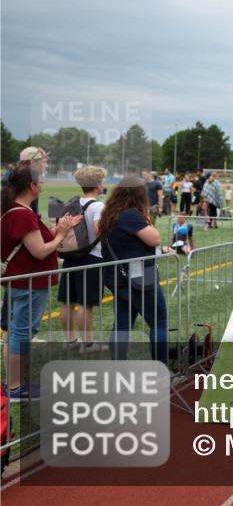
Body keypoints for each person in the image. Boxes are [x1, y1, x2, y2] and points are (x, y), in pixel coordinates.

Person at [1, 163, 82, 400]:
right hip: (30, 284)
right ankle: (16, 387)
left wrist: (60, 229)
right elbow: (40, 251)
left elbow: (35, 243)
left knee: (16, 332)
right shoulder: (22, 214)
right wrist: (61, 234)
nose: (44, 183)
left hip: (22, 282)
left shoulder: (15, 210)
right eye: (42, 180)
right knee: (21, 333)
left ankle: (14, 384)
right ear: (33, 186)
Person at [98, 175, 167, 365]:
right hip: (139, 278)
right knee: (159, 323)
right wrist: (147, 219)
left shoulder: (110, 214)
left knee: (122, 325)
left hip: (118, 278)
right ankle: (162, 371)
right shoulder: (130, 215)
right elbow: (155, 239)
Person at [56, 166, 108, 352]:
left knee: (67, 301)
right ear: (98, 184)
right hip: (91, 258)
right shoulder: (98, 206)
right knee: (86, 304)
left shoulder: (72, 203)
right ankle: (88, 343)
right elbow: (99, 230)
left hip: (71, 256)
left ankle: (69, 340)